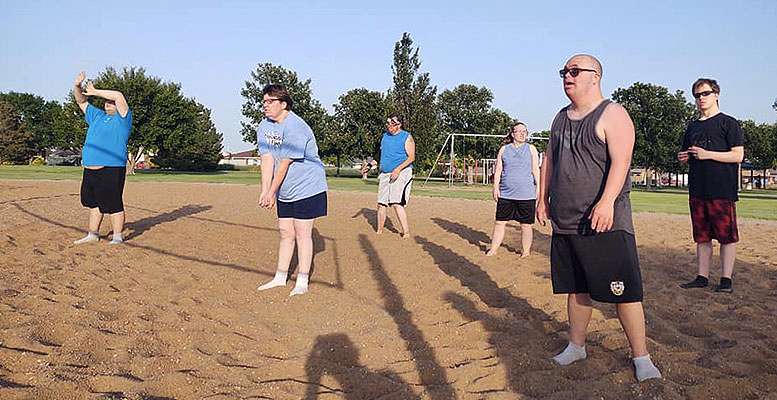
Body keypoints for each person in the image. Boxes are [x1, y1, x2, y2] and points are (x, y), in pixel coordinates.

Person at [536, 54, 661, 382]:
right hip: (566, 220)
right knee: (576, 289)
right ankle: (576, 346)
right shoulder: (560, 118)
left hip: (605, 221)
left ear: (596, 77)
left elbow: (621, 163)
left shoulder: (614, 114)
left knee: (625, 292)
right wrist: (542, 199)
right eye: (564, 71)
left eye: (575, 71)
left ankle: (641, 357)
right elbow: (549, 159)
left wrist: (605, 203)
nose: (567, 76)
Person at [255, 84, 328, 296]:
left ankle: (302, 280)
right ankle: (280, 277)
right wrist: (265, 190)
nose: (265, 106)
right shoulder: (264, 126)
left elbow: (285, 163)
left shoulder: (296, 126)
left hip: (308, 187)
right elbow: (267, 158)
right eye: (264, 102)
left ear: (284, 104)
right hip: (286, 187)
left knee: (302, 233)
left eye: (270, 102)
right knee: (285, 231)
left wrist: (272, 191)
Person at [677, 78, 744, 293]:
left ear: (716, 94)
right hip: (698, 189)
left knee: (726, 236)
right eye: (697, 95)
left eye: (705, 93)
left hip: (722, 189)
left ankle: (726, 279)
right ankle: (702, 277)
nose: (701, 99)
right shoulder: (693, 126)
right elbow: (687, 151)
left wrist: (707, 155)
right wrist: (684, 156)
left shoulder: (729, 123)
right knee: (702, 236)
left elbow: (737, 156)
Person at [72, 71, 132, 245]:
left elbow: (118, 96)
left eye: (111, 102)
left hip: (111, 167)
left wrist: (96, 91)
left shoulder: (123, 119)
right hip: (90, 167)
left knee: (113, 204)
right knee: (94, 203)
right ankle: (93, 234)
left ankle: (117, 237)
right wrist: (77, 87)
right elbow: (80, 101)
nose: (108, 103)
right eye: (106, 101)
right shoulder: (97, 116)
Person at [486, 121, 539, 257]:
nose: (522, 134)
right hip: (506, 194)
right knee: (499, 222)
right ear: (512, 133)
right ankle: (493, 249)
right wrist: (495, 187)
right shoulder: (504, 149)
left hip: (526, 195)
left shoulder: (531, 149)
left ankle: (526, 251)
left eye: (524, 132)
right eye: (519, 131)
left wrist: (538, 188)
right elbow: (498, 171)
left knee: (526, 225)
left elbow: (535, 170)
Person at [367, 115, 415, 238]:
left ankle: (406, 232)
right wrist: (369, 165)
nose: (389, 125)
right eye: (388, 123)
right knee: (381, 203)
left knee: (395, 202)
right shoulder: (384, 137)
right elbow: (379, 156)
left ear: (399, 125)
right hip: (385, 172)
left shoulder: (407, 137)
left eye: (392, 123)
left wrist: (398, 169)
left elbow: (411, 157)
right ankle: (379, 231)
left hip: (401, 171)